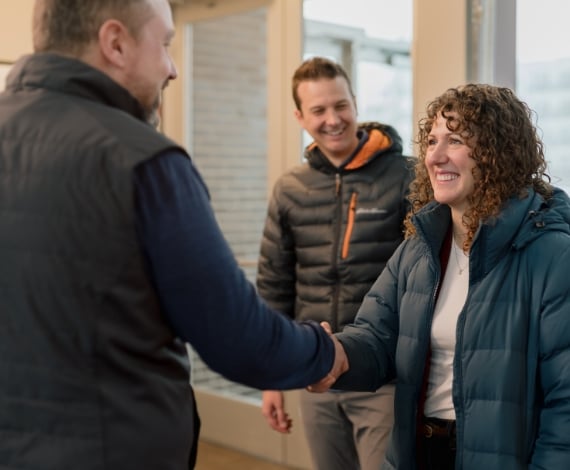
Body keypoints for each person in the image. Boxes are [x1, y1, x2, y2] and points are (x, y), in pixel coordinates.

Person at [0, 2, 349, 469]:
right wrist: (323, 350)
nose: (173, 68)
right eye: (164, 44)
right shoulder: (143, 162)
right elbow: (236, 336)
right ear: (115, 43)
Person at [314, 83, 570, 469]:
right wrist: (335, 355)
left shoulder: (553, 254)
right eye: (431, 141)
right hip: (419, 452)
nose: (435, 156)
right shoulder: (419, 249)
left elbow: (565, 401)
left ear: (500, 152)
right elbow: (377, 336)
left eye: (455, 140)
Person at [257, 56, 414, 470]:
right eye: (318, 110)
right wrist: (271, 378)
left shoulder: (406, 177)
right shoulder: (290, 189)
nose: (333, 119)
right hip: (315, 371)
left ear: (355, 102)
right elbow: (274, 286)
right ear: (300, 116)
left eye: (340, 105)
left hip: (385, 375)